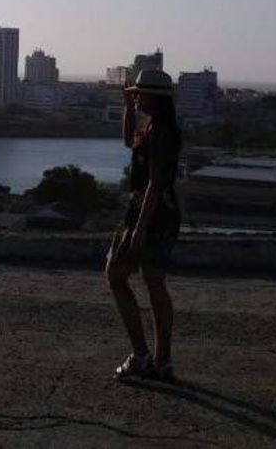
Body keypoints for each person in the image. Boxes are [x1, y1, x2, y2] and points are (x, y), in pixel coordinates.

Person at [105, 67, 182, 381]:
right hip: (160, 214)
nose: (135, 96)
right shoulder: (155, 127)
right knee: (153, 283)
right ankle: (161, 362)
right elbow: (128, 141)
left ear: (154, 97)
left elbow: (155, 182)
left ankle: (141, 355)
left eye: (138, 93)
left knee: (116, 275)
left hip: (148, 213)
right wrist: (127, 108)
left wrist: (139, 229)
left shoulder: (162, 132)